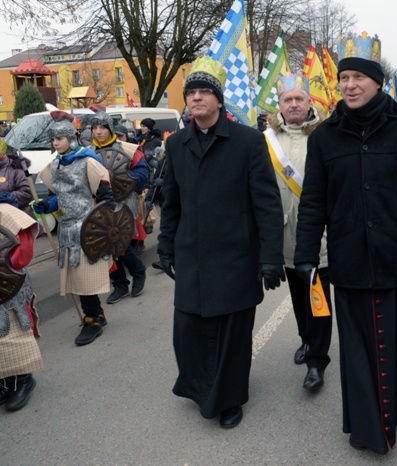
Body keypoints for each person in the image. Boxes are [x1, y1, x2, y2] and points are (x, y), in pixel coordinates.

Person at [294, 31, 397, 454]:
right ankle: (370, 430)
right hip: (351, 263)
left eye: (358, 77)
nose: (349, 85)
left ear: (377, 82)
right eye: (344, 77)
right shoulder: (324, 137)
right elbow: (313, 203)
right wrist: (306, 255)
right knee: (361, 352)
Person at [157, 57, 285, 428]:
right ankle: (200, 389)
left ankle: (229, 399)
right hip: (193, 257)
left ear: (219, 99)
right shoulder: (177, 144)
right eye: (191, 93)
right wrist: (165, 247)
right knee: (189, 332)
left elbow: (266, 203)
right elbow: (172, 203)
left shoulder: (247, 141)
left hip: (236, 256)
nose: (196, 98)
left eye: (204, 92)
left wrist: (270, 257)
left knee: (232, 334)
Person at [266, 73, 332, 390]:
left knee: (318, 298)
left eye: (299, 99)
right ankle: (306, 340)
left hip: (320, 238)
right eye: (287, 99)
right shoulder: (267, 141)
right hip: (285, 236)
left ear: (309, 103)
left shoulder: (325, 136)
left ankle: (317, 362)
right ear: (279, 105)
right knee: (298, 298)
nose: (293, 104)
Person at [34, 111, 118, 346]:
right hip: (66, 230)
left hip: (86, 227)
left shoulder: (88, 161)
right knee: (75, 277)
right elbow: (58, 198)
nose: (55, 143)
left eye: (59, 139)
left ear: (71, 138)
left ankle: (93, 319)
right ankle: (96, 315)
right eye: (53, 140)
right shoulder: (56, 164)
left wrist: (107, 227)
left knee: (84, 277)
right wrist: (46, 205)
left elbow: (105, 197)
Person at [89, 105, 149, 304]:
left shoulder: (129, 149)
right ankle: (120, 284)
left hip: (123, 201)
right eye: (95, 128)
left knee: (120, 242)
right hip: (99, 203)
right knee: (105, 245)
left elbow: (142, 175)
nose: (98, 132)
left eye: (102, 127)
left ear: (110, 129)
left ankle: (138, 272)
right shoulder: (88, 153)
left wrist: (121, 178)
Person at [0, 197, 42, 411]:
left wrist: (6, 266)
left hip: (8, 283)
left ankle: (23, 380)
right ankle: (5, 381)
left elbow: (23, 248)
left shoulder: (5, 211)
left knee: (14, 331)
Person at [0, 140, 32, 211]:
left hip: (9, 216)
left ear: (2, 154)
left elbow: (26, 192)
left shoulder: (15, 169)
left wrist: (7, 197)